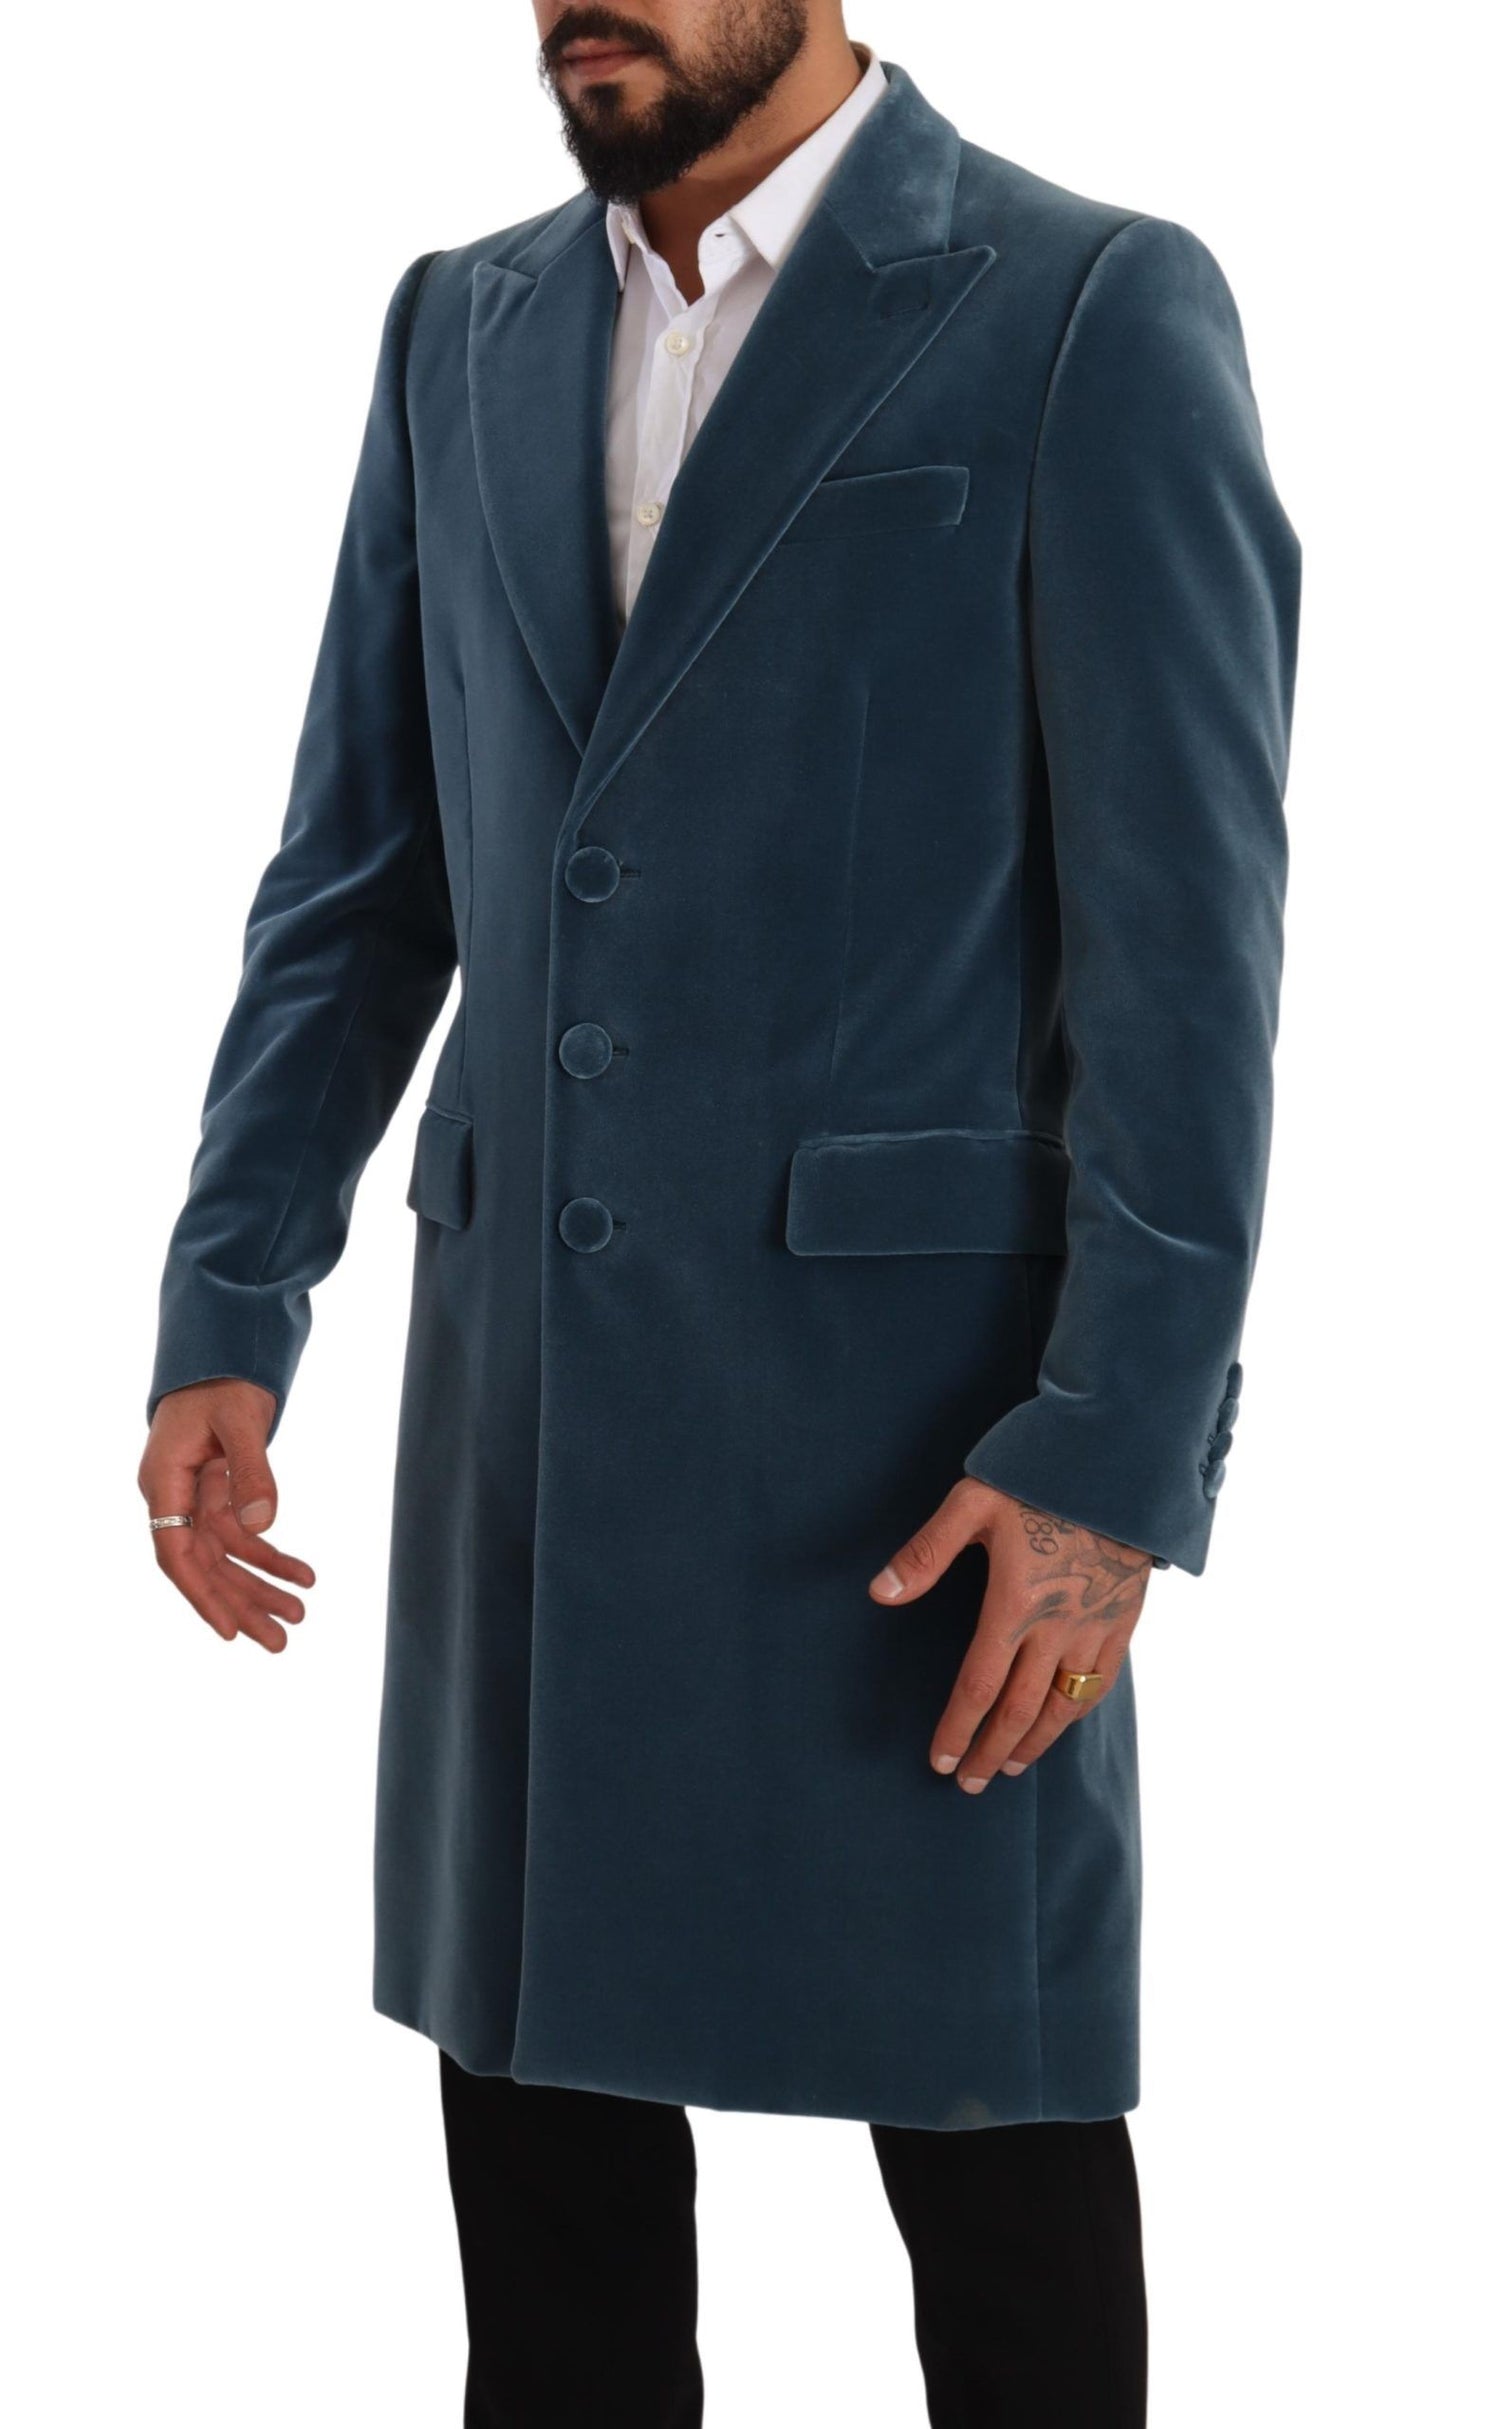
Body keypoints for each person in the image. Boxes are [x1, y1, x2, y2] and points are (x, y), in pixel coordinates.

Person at [139, 7, 1300, 2421]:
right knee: (545, 2193)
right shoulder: (460, 321)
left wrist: (1117, 1458)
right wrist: (231, 1294)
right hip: (532, 1434)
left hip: (917, 1454)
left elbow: (1189, 961)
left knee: (998, 2175)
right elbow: (363, 873)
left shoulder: (1090, 307)